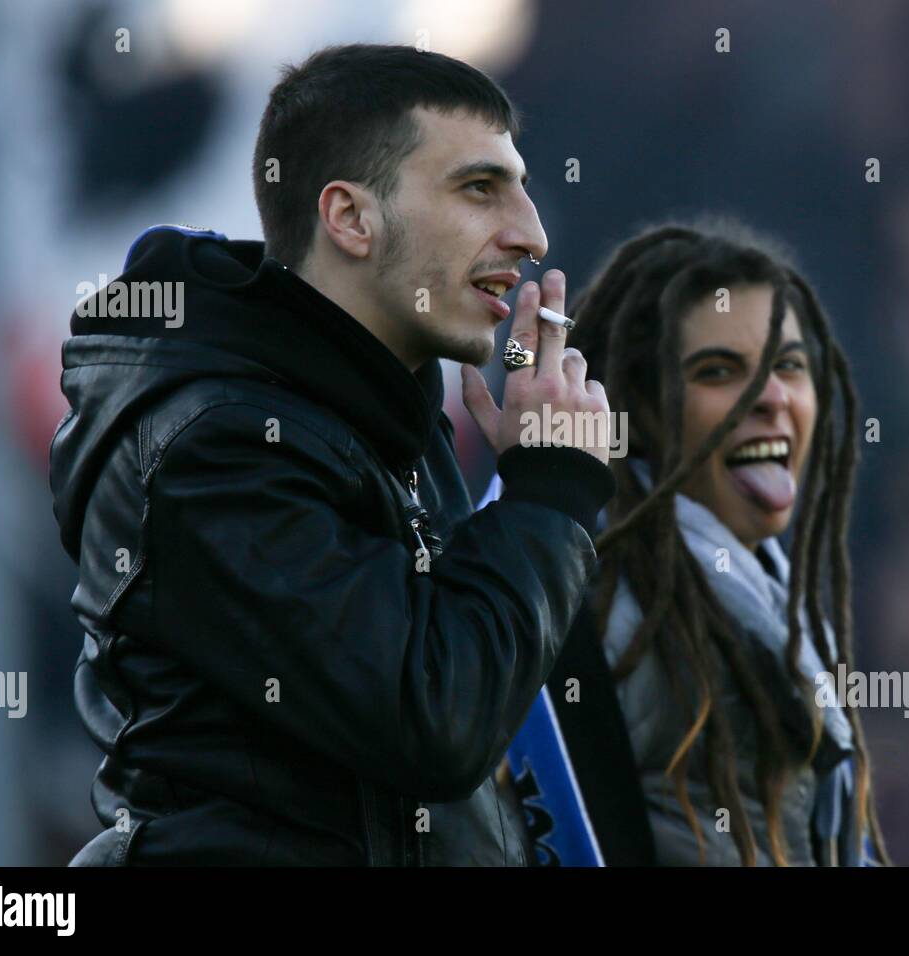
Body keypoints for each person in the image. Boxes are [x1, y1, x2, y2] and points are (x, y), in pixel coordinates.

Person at [49, 43, 614, 865]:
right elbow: (435, 721)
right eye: (480, 187)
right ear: (350, 217)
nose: (530, 233)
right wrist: (550, 489)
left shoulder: (380, 422)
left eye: (521, 188)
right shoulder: (217, 448)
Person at [512, 219, 892, 866]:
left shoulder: (764, 601)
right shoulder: (620, 609)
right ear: (647, 409)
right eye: (720, 371)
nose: (771, 398)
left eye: (789, 366)